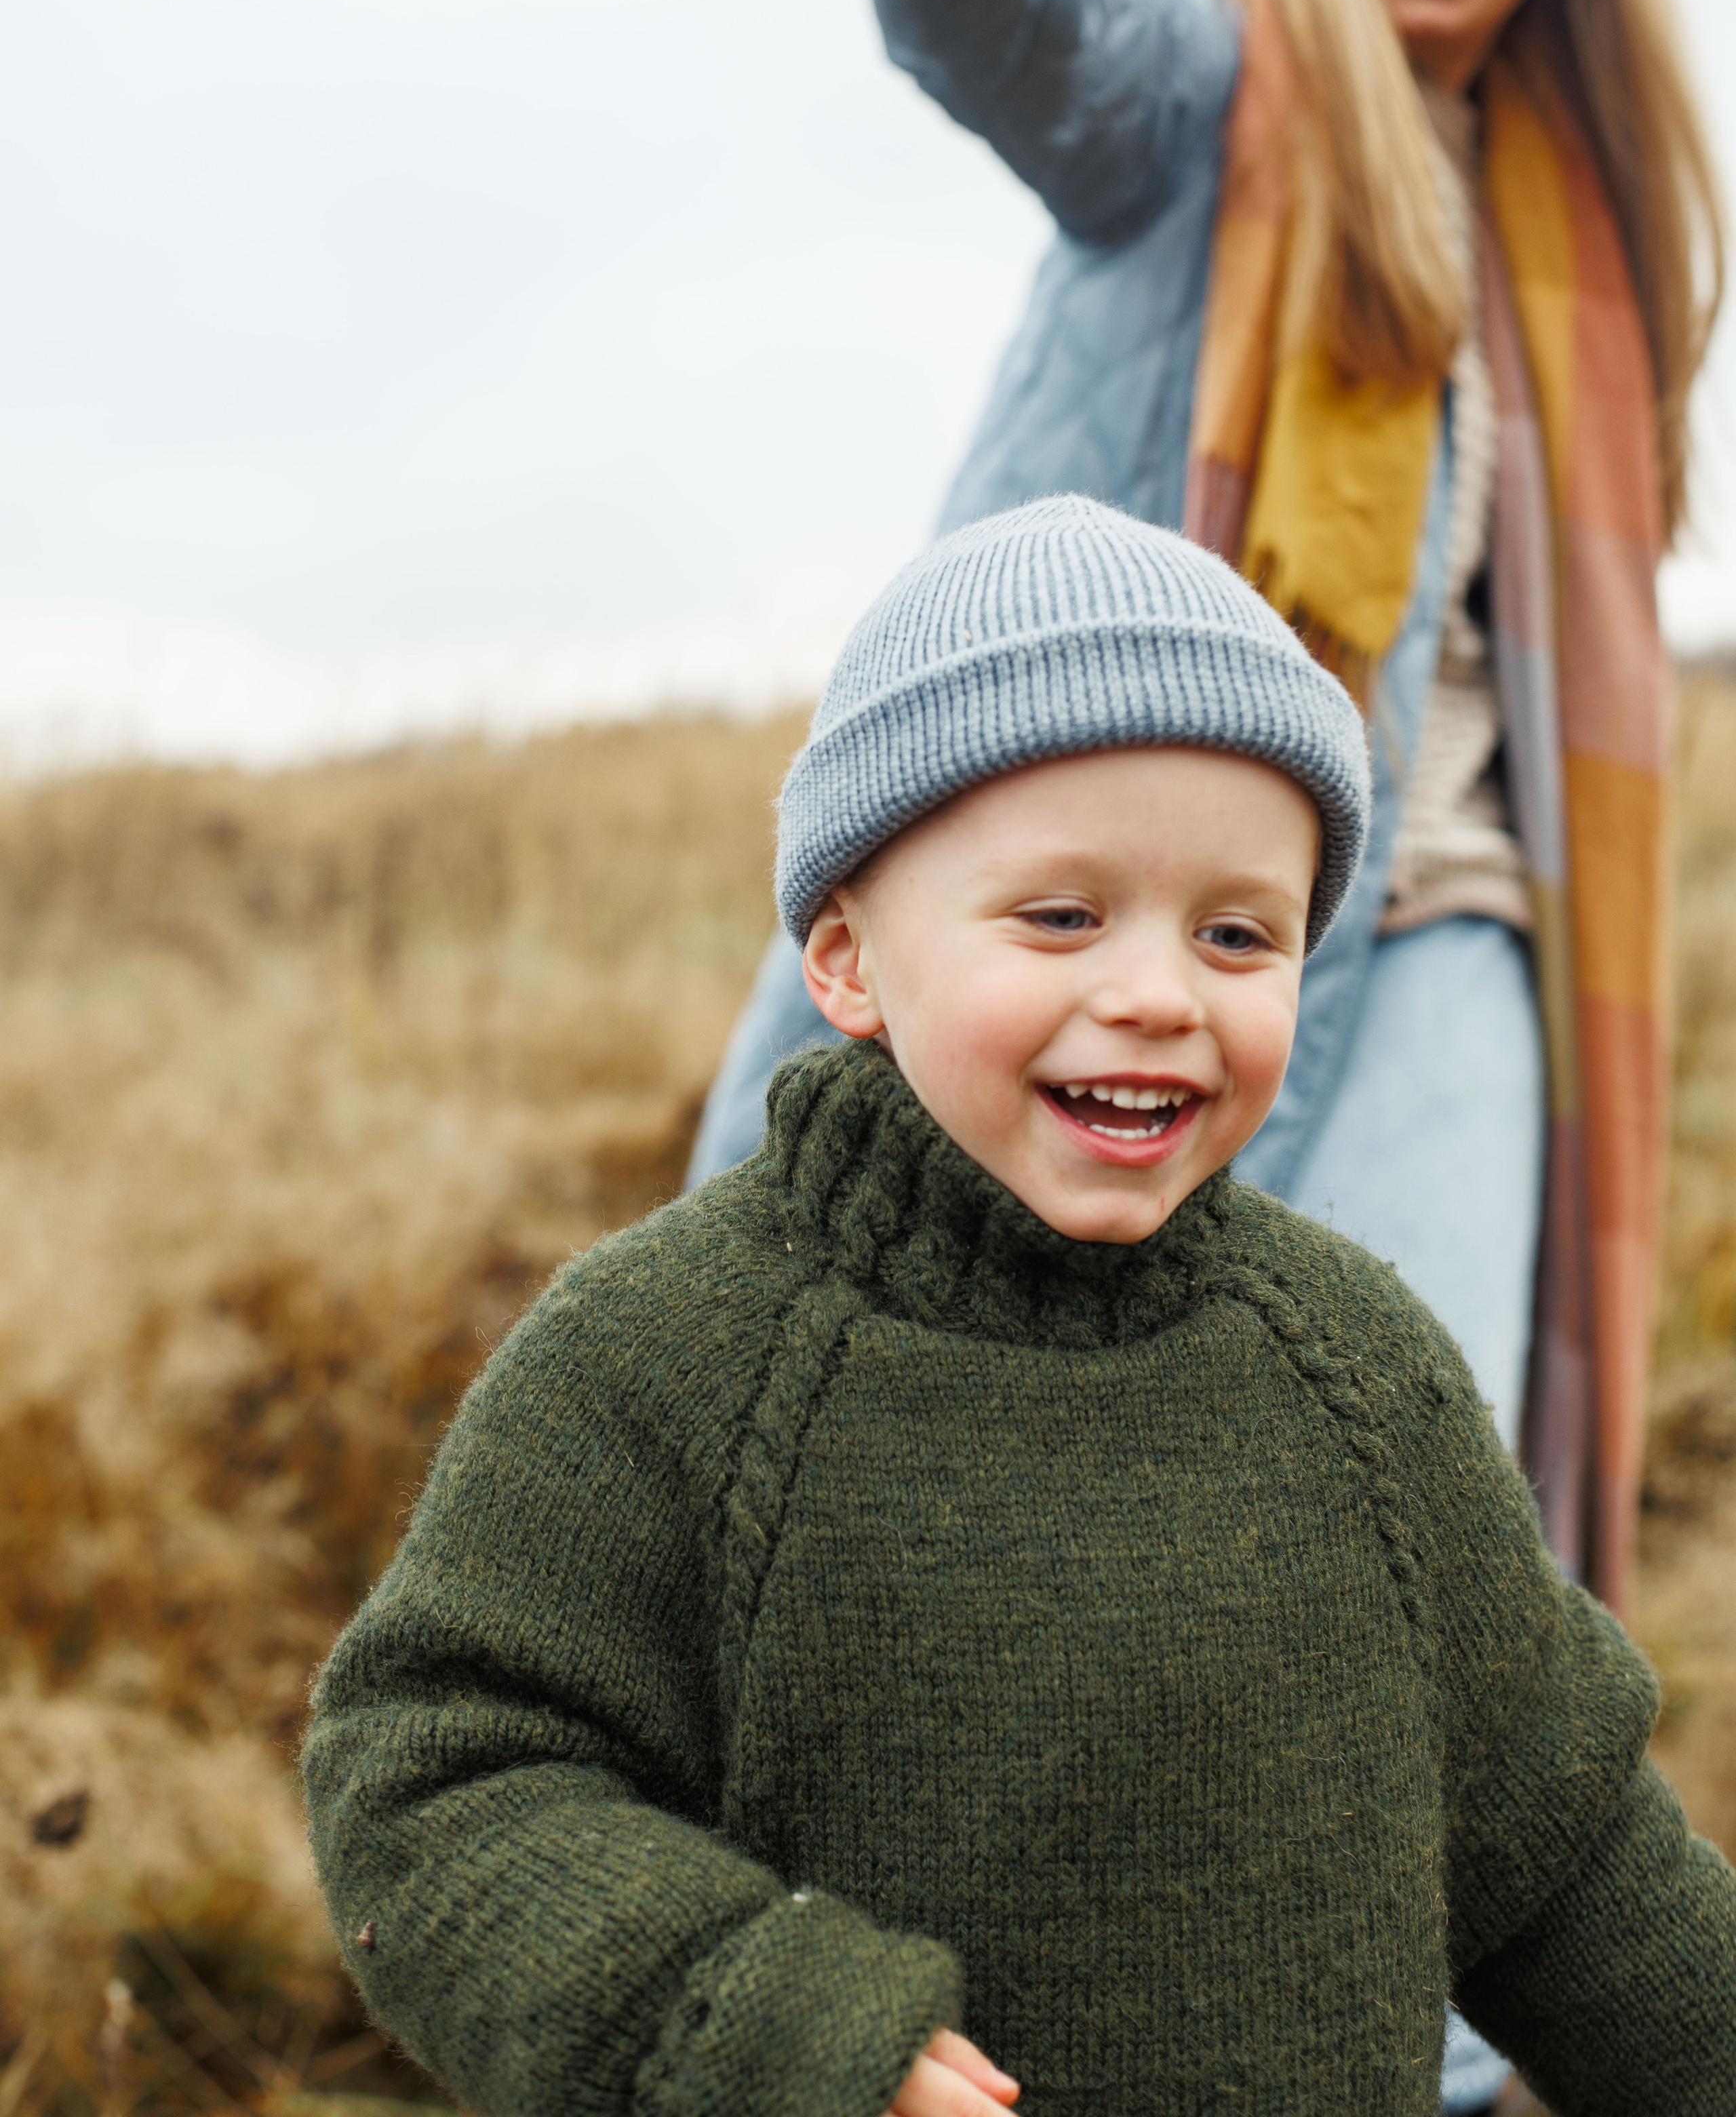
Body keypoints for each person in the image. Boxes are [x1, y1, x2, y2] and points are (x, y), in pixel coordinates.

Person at [303, 496, 1736, 2117]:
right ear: (845, 960)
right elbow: (433, 1783)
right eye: (1059, 915)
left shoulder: (1353, 1367)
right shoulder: (664, 1361)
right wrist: (771, 2032)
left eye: (1237, 932)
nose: (1155, 990)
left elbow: (1567, 1863)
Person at [686, 0, 1722, 1643]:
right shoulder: (1201, 88)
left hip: (1448, 921)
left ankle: (1378, 1952)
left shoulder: (1579, 227)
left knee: (1399, 1523)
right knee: (946, 1452)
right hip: (1108, 903)